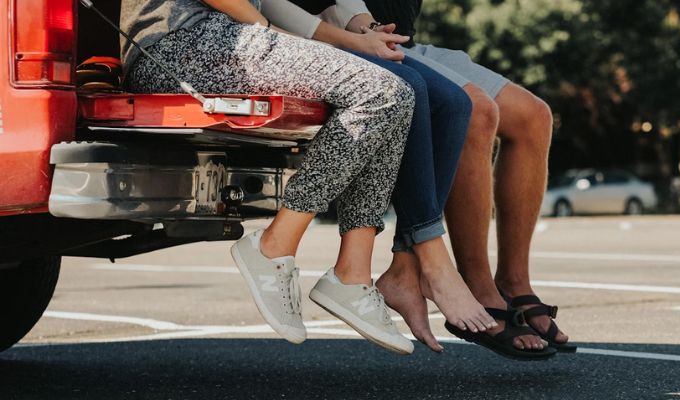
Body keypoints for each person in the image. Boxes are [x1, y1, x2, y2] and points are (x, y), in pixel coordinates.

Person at [120, 0, 484, 355]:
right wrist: (269, 31)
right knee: (381, 92)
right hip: (179, 41)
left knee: (397, 93)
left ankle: (352, 275)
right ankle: (274, 246)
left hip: (225, 34)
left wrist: (356, 31)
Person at [304, 0, 572, 355]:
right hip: (344, 38)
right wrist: (362, 31)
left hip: (401, 40)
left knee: (533, 117)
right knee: (475, 109)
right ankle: (476, 284)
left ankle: (513, 281)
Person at [261, 0, 519, 354]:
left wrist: (366, 29)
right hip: (280, 31)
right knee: (402, 88)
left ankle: (403, 268)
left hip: (329, 30)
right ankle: (430, 260)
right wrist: (350, 39)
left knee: (455, 104)